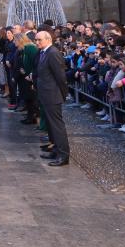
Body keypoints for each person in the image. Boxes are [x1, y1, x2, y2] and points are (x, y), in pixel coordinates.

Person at [34, 31, 70, 166]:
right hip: (45, 94)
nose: (37, 42)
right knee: (51, 126)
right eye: (36, 40)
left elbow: (60, 77)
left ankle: (63, 155)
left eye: (39, 40)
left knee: (57, 126)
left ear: (48, 39)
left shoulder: (53, 53)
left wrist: (63, 94)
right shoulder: (44, 52)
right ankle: (55, 150)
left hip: (52, 95)